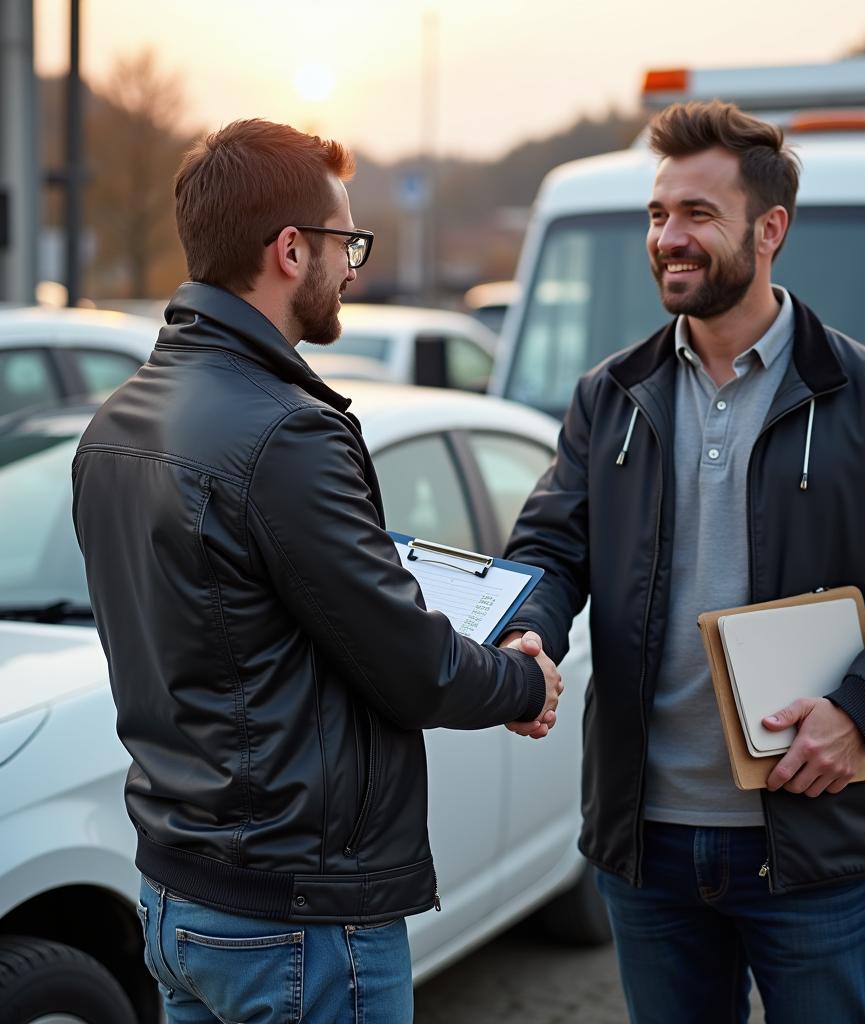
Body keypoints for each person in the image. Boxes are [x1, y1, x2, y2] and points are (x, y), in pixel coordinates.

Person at [71, 119, 561, 1024]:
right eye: (345, 241)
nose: (354, 266)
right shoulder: (286, 431)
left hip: (179, 894)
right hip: (295, 919)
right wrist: (520, 682)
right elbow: (410, 663)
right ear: (291, 250)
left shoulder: (116, 422)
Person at [501, 100, 865, 1023]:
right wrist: (529, 631)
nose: (668, 238)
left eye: (696, 216)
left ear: (770, 231)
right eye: (657, 214)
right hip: (650, 844)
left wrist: (858, 710)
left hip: (814, 838)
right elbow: (552, 547)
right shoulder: (610, 395)